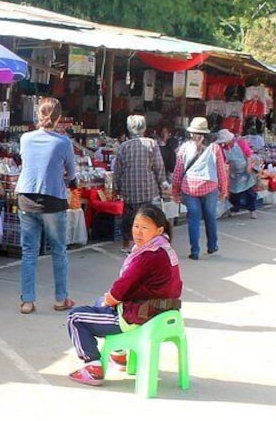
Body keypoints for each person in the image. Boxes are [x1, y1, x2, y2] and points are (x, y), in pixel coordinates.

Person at [66, 204, 182, 386]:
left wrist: (109, 300)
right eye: (136, 226)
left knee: (75, 317)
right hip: (162, 312)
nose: (138, 232)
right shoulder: (164, 248)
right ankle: (119, 355)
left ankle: (93, 367)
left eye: (145, 228)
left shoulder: (149, 255)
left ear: (159, 230)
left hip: (139, 315)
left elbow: (120, 290)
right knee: (99, 302)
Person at [15, 97, 77, 315]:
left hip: (27, 199)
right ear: (59, 118)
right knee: (59, 250)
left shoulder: (25, 139)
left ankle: (27, 301)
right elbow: (72, 172)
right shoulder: (63, 142)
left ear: (37, 115)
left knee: (29, 252)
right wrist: (68, 180)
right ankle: (61, 299)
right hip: (53, 201)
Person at [172, 117, 228, 260]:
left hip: (189, 189)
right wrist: (223, 189)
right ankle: (212, 245)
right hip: (209, 188)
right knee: (210, 216)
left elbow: (178, 171)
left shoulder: (184, 148)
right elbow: (221, 171)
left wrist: (175, 191)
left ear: (191, 133)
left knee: (193, 219)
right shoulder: (215, 148)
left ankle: (195, 251)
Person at [113, 115, 168, 254]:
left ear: (129, 128)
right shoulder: (151, 144)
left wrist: (116, 187)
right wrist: (162, 183)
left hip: (129, 190)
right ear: (144, 128)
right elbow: (159, 167)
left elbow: (118, 170)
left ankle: (127, 245)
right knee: (147, 218)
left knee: (129, 219)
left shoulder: (123, 146)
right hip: (147, 189)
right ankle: (146, 245)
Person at [216, 129, 258, 219]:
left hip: (245, 169)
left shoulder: (240, 143)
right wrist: (227, 172)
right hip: (234, 171)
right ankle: (235, 209)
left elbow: (248, 154)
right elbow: (223, 162)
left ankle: (252, 210)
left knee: (249, 191)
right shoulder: (223, 149)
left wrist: (249, 166)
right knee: (234, 192)